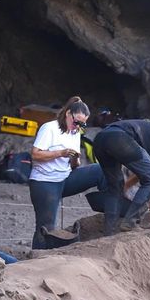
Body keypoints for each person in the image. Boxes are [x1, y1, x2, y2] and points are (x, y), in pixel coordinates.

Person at [28, 97, 103, 249]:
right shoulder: (49, 128)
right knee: (46, 227)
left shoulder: (75, 132)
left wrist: (75, 160)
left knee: (100, 170)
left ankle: (111, 207)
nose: (78, 127)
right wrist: (60, 153)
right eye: (76, 122)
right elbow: (35, 155)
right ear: (68, 114)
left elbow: (73, 166)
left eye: (82, 124)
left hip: (65, 177)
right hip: (45, 181)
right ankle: (37, 256)